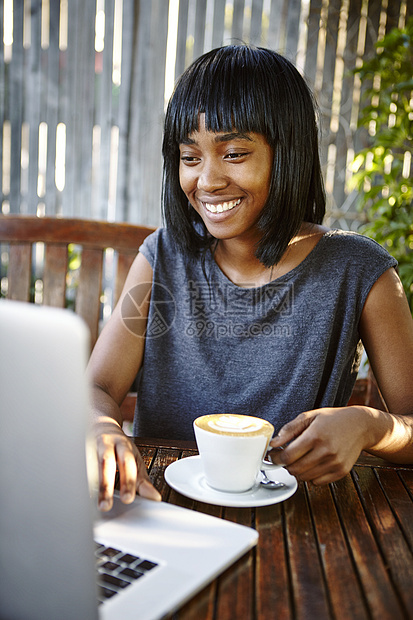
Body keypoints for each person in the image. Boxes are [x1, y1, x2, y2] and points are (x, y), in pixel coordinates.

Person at [88, 45, 413, 512]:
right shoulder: (162, 259)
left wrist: (367, 425)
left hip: (297, 521)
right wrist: (101, 428)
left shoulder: (359, 271)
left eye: (235, 153)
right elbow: (96, 386)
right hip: (161, 503)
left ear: (289, 154)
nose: (208, 180)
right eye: (190, 156)